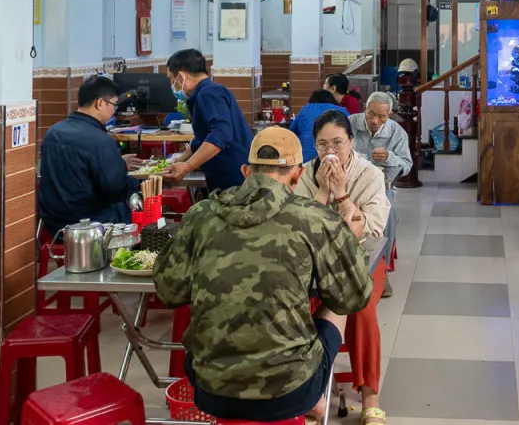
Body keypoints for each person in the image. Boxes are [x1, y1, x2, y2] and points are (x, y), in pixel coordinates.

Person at [153, 127, 372, 423]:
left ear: (246, 171)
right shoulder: (316, 218)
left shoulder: (201, 214)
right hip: (290, 390)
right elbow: (354, 296)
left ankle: (312, 400)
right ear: (297, 175)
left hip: (210, 387)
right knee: (336, 302)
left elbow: (169, 291)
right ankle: (315, 400)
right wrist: (347, 241)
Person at [295, 111, 390, 425]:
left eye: (338, 142)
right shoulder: (305, 174)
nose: (330, 151)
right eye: (323, 144)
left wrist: (341, 193)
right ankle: (310, 390)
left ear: (351, 142)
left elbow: (369, 230)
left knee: (361, 308)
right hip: (313, 264)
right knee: (293, 304)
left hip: (361, 260)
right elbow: (299, 230)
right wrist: (322, 192)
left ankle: (370, 398)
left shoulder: (370, 175)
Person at [38, 75, 140, 232]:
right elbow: (115, 191)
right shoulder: (101, 140)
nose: (114, 111)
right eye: (114, 105)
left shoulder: (53, 132)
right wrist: (139, 181)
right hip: (91, 224)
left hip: (54, 224)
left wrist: (117, 163)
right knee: (138, 202)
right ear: (100, 103)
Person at [162, 49, 254, 192]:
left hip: (234, 177)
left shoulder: (208, 93)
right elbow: (201, 140)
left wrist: (187, 166)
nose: (172, 85)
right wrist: (179, 161)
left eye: (171, 79)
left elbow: (221, 134)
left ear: (181, 76)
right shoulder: (205, 92)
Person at [350, 90, 413, 298]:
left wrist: (389, 157)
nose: (375, 121)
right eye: (371, 114)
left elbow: (407, 165)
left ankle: (380, 271)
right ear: (364, 109)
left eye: (381, 117)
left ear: (390, 114)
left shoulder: (396, 132)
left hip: (381, 187)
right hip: (349, 185)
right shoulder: (350, 123)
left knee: (389, 214)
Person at [290, 89, 349, 162]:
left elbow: (291, 133)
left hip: (305, 159)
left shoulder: (306, 109)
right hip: (337, 158)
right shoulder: (342, 110)